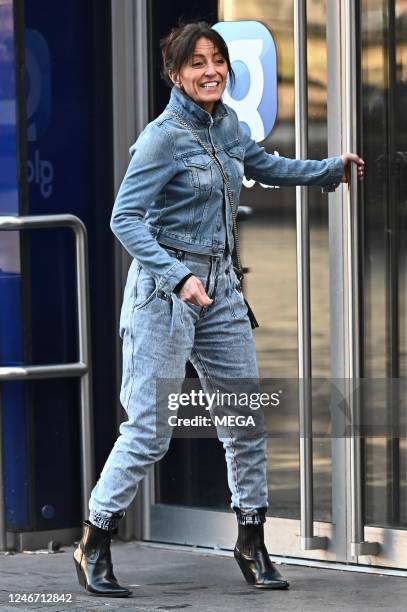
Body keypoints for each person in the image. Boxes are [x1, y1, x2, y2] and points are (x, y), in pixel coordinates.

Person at [73, 21, 365, 598]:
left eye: (218, 60)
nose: (211, 71)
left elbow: (262, 165)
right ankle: (95, 540)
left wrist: (328, 170)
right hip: (166, 294)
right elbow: (123, 219)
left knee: (244, 421)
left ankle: (251, 540)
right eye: (197, 63)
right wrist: (179, 277)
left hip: (223, 290)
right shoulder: (161, 138)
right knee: (150, 428)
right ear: (175, 74)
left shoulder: (226, 123)